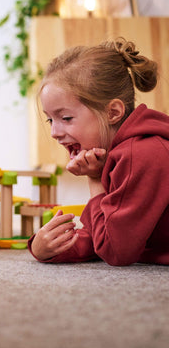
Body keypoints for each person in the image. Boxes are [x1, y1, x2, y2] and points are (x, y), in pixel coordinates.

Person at [28, 37, 169, 266]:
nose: (54, 132)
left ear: (112, 112)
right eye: (49, 120)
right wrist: (48, 247)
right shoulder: (122, 153)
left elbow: (115, 251)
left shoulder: (142, 155)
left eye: (66, 118)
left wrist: (95, 180)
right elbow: (107, 232)